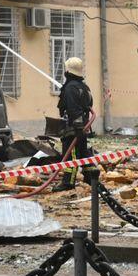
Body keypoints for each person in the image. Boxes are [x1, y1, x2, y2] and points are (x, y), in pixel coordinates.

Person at [55, 57, 95, 189]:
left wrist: (77, 127)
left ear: (67, 71)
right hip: (83, 127)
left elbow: (73, 109)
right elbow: (89, 104)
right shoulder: (84, 87)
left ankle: (68, 182)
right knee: (83, 153)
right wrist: (82, 127)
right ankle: (92, 177)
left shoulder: (70, 88)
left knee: (71, 156)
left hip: (73, 129)